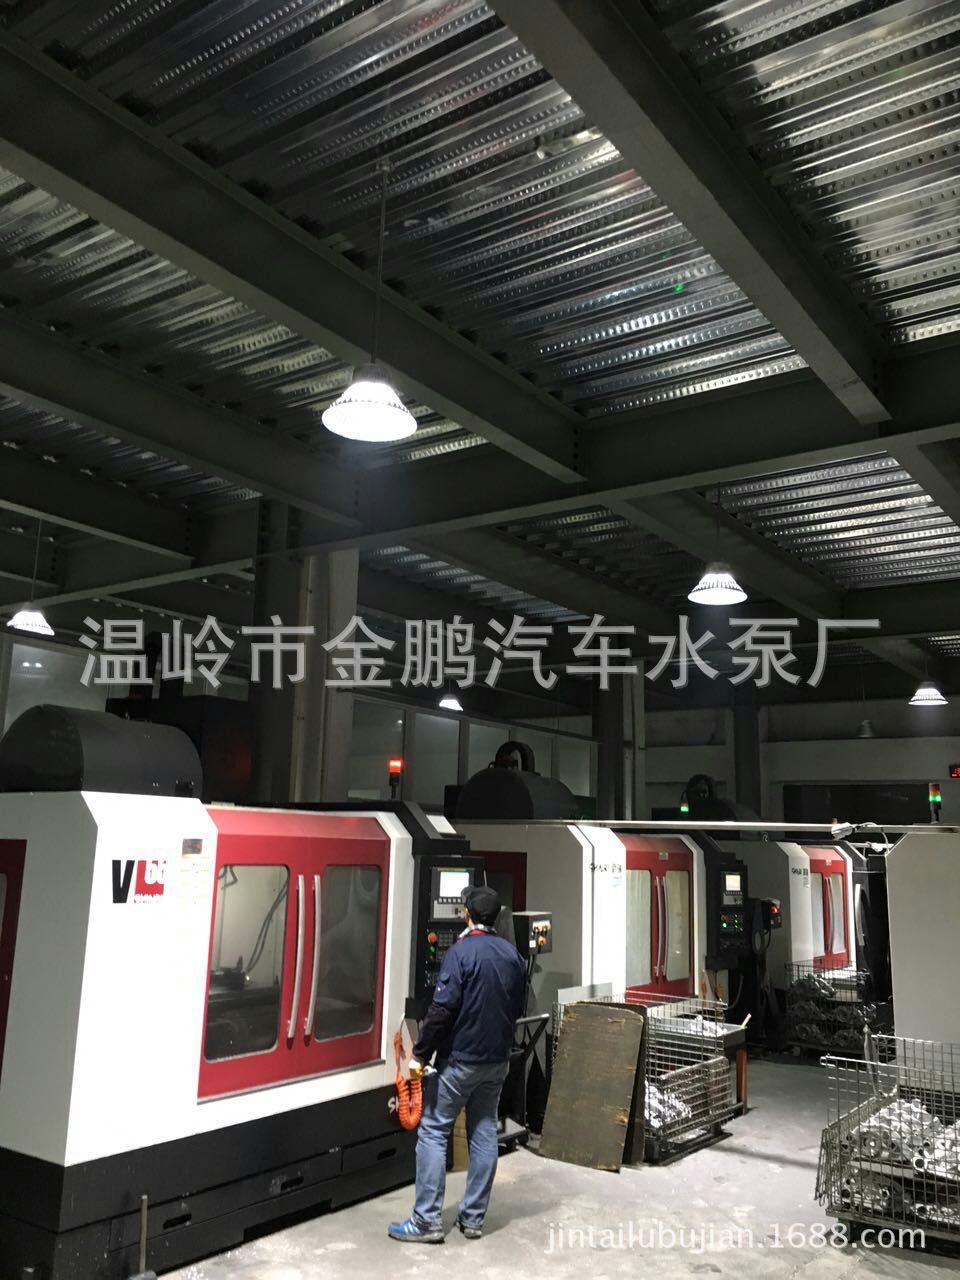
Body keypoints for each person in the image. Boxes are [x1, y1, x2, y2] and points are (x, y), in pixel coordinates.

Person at [388, 884, 525, 1243]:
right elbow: (517, 1007)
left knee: (434, 1131)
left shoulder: (460, 953)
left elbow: (442, 1010)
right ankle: (473, 1218)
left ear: (466, 914)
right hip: (497, 1061)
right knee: (484, 1129)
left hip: (461, 1061)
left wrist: (419, 1055)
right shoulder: (512, 955)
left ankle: (426, 1221)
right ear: (497, 916)